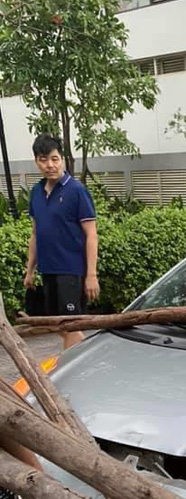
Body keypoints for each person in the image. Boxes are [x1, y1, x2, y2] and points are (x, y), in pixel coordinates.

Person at [24, 134, 98, 351]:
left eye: (55, 159)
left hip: (71, 272)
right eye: (44, 159)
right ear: (37, 161)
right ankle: (83, 363)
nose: (50, 165)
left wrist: (91, 275)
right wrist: (30, 270)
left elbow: (91, 234)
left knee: (72, 325)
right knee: (60, 326)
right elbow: (36, 234)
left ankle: (68, 375)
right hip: (48, 270)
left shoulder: (76, 191)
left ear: (62, 158)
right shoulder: (37, 192)